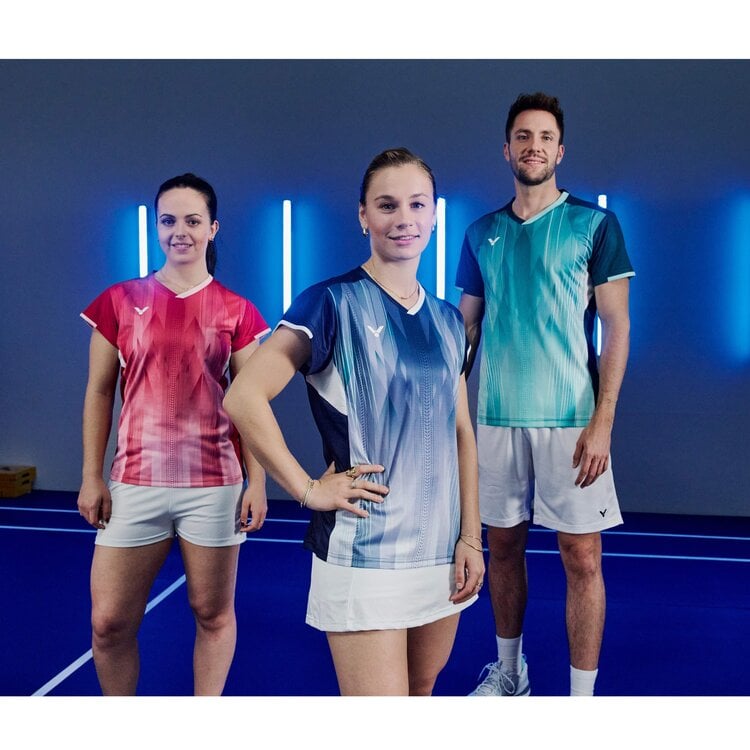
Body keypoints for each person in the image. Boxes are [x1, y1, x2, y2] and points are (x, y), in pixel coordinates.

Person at [223, 147, 485, 696]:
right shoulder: (330, 302)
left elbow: (461, 432)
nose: (404, 218)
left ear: (434, 215)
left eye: (417, 204)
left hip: (441, 551)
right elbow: (243, 397)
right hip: (364, 550)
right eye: (387, 205)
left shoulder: (447, 320)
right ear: (363, 216)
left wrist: (471, 537)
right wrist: (307, 489)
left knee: (421, 692)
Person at [457, 93, 634, 697]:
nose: (534, 146)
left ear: (561, 151)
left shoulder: (594, 225)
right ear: (507, 149)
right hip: (496, 418)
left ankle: (580, 703)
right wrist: (447, 408)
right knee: (503, 548)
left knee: (582, 559)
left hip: (572, 420)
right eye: (523, 136)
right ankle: (511, 676)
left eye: (545, 137)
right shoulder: (480, 232)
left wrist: (603, 421)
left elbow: (617, 327)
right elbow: (466, 331)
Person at [77, 173, 270, 695]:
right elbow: (99, 392)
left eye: (192, 220)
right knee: (108, 623)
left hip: (215, 487)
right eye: (168, 221)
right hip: (134, 482)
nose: (179, 231)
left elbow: (251, 405)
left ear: (213, 228)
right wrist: (91, 476)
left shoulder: (237, 310)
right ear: (156, 227)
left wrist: (257, 482)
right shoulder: (118, 301)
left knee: (212, 613)